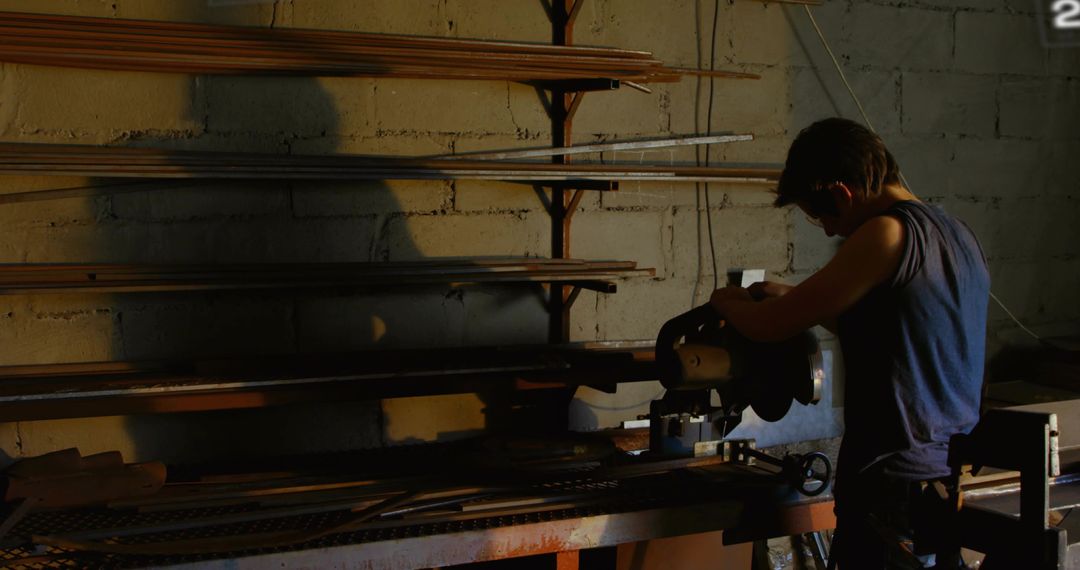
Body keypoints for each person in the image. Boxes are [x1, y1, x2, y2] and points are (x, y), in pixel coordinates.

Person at [709, 117, 989, 568]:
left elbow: (771, 326)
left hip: (892, 481)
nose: (827, 230)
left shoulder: (886, 233)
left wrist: (726, 303)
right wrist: (798, 298)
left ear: (842, 194)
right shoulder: (958, 234)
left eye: (823, 216)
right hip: (944, 477)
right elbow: (896, 331)